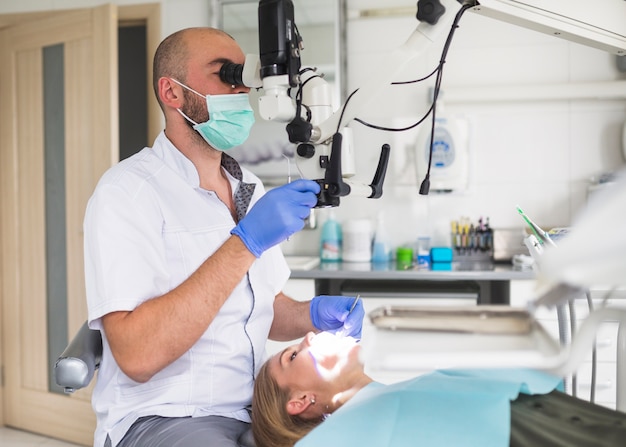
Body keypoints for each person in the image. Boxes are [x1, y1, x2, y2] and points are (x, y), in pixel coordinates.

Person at [83, 27, 365, 447]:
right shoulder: (127, 191)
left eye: (243, 77)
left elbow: (262, 305)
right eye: (225, 74)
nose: (241, 89)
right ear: (172, 93)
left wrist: (312, 313)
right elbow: (137, 356)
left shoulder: (249, 187)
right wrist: (244, 242)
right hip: (163, 415)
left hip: (249, 410)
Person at [252, 331, 626, 447]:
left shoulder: (382, 398)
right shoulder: (343, 438)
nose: (310, 334)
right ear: (301, 401)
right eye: (293, 355)